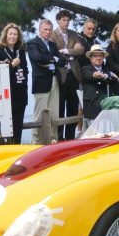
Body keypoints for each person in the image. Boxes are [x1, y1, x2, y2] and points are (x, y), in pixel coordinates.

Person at [27, 18, 67, 143]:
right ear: (39, 29)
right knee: (39, 115)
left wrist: (50, 60)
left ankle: (52, 141)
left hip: (55, 80)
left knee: (54, 114)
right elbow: (37, 57)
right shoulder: (33, 43)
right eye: (45, 29)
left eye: (50, 30)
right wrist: (53, 59)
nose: (48, 32)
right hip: (41, 83)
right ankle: (36, 143)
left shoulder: (52, 45)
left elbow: (62, 60)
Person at [51, 10, 85, 141]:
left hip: (74, 75)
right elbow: (55, 53)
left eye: (68, 20)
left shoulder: (73, 34)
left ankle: (70, 137)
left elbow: (81, 50)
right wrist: (73, 52)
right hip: (61, 75)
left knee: (72, 107)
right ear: (58, 21)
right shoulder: (53, 35)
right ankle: (59, 138)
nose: (66, 22)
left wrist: (67, 51)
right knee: (60, 108)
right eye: (63, 20)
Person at [0, 23, 29, 144]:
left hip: (20, 94)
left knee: (18, 128)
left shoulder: (21, 51)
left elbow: (25, 71)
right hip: (6, 96)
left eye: (15, 34)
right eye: (10, 34)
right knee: (6, 129)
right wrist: (12, 65)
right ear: (5, 35)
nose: (13, 37)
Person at [80, 44, 119, 122]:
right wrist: (97, 75)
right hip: (93, 103)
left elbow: (116, 80)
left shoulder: (106, 69)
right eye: (95, 56)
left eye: (100, 56)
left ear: (103, 57)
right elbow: (89, 75)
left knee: (116, 109)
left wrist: (104, 76)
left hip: (106, 102)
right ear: (90, 58)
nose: (98, 58)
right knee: (117, 100)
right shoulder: (85, 69)